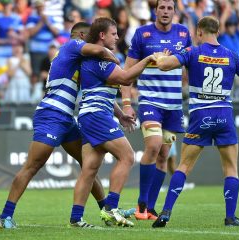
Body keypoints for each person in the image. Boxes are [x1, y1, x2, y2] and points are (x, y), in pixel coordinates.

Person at [151, 16, 239, 228]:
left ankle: (166, 212)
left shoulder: (192, 52)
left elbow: (165, 66)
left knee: (184, 166)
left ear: (199, 32)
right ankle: (231, 217)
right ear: (218, 32)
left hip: (200, 116)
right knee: (231, 168)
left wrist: (160, 57)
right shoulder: (231, 55)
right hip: (224, 116)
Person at [0, 22, 127, 229]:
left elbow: (97, 90)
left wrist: (119, 113)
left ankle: (105, 211)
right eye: (88, 36)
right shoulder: (72, 45)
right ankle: (5, 216)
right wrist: (112, 57)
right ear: (82, 36)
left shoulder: (80, 60)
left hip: (67, 119)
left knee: (88, 165)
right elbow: (100, 49)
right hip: (51, 114)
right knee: (32, 166)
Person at [69, 17, 156, 228]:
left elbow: (102, 93)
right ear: (102, 35)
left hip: (90, 115)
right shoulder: (100, 59)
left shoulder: (98, 58)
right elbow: (126, 78)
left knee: (89, 169)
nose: (117, 37)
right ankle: (111, 208)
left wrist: (120, 114)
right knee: (127, 156)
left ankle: (76, 218)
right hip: (97, 116)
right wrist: (146, 59)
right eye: (114, 34)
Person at [120, 0, 192, 220]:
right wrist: (126, 103)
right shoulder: (142, 34)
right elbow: (127, 72)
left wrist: (186, 85)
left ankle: (149, 208)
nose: (165, 11)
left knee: (164, 154)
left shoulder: (183, 33)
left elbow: (189, 64)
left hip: (173, 106)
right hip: (150, 102)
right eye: (162, 7)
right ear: (155, 11)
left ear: (174, 12)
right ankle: (142, 204)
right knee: (152, 146)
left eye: (170, 8)